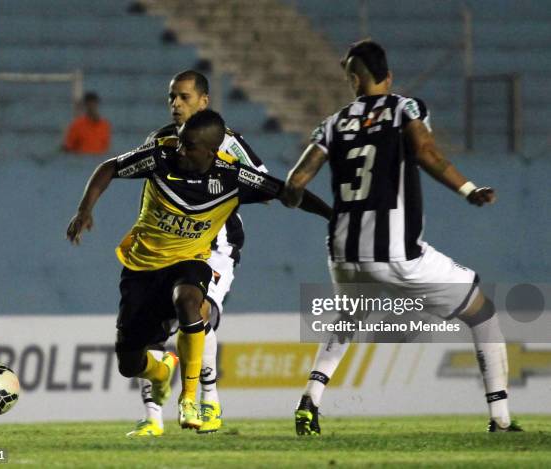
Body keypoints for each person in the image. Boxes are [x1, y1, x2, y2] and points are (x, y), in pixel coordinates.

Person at [283, 40, 522, 434]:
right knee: (481, 311)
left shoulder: (332, 123)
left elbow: (295, 183)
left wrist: (293, 199)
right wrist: (469, 189)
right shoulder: (405, 107)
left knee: (349, 316)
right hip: (395, 254)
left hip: (342, 253)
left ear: (354, 80)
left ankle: (310, 398)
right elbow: (426, 152)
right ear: (387, 77)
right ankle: (500, 417)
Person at [66, 109, 331, 432]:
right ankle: (162, 371)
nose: (180, 150)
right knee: (128, 363)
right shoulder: (159, 158)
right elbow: (109, 168)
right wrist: (84, 210)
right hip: (143, 268)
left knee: (190, 301)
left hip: (190, 261)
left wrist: (332, 215)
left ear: (210, 151)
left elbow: (287, 193)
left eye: (188, 146)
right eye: (179, 143)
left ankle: (189, 399)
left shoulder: (233, 177)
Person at [132, 70, 268, 437]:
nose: (176, 104)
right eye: (172, 97)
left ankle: (208, 398)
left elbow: (263, 182)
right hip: (167, 245)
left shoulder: (229, 142)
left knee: (197, 308)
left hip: (215, 247)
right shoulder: (158, 141)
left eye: (185, 97)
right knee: (152, 324)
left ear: (204, 101)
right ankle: (152, 418)